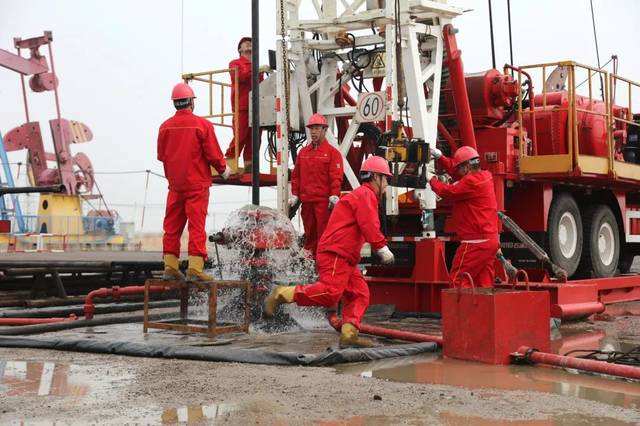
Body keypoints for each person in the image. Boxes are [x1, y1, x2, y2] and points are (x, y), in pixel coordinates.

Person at [265, 156, 395, 348]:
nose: (387, 186)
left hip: (345, 258)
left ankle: (349, 335)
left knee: (360, 294)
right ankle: (282, 293)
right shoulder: (366, 195)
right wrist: (382, 248)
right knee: (331, 293)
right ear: (376, 177)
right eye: (386, 179)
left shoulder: (361, 195)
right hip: (336, 254)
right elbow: (369, 224)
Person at [158, 82, 231, 282]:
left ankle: (170, 266)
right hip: (197, 185)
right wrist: (224, 170)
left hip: (175, 185)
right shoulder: (202, 125)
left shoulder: (164, 127)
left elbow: (162, 156)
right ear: (191, 101)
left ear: (175, 104)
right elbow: (213, 154)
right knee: (196, 226)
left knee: (172, 226)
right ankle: (195, 268)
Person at [429, 145, 499, 288]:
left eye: (460, 168)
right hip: (490, 241)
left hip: (475, 242)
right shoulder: (484, 176)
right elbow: (456, 172)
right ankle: (484, 310)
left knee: (458, 280)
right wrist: (440, 158)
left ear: (467, 167)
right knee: (484, 283)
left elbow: (449, 192)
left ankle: (460, 310)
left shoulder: (470, 182)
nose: (458, 173)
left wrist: (431, 180)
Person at [289, 113, 344, 257]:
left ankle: (322, 259)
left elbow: (336, 176)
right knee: (309, 232)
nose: (313, 132)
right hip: (307, 202)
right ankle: (309, 255)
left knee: (323, 233)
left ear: (325, 130)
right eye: (311, 128)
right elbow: (296, 176)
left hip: (323, 203)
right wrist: (295, 194)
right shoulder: (303, 153)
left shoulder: (333, 153)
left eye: (317, 128)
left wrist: (334, 194)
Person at [224, 37, 267, 172]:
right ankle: (228, 163)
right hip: (242, 106)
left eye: (251, 43)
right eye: (245, 43)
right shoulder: (235, 63)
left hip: (256, 106)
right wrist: (256, 70)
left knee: (255, 139)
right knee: (240, 136)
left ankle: (250, 166)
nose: (249, 44)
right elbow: (241, 77)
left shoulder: (256, 66)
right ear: (239, 49)